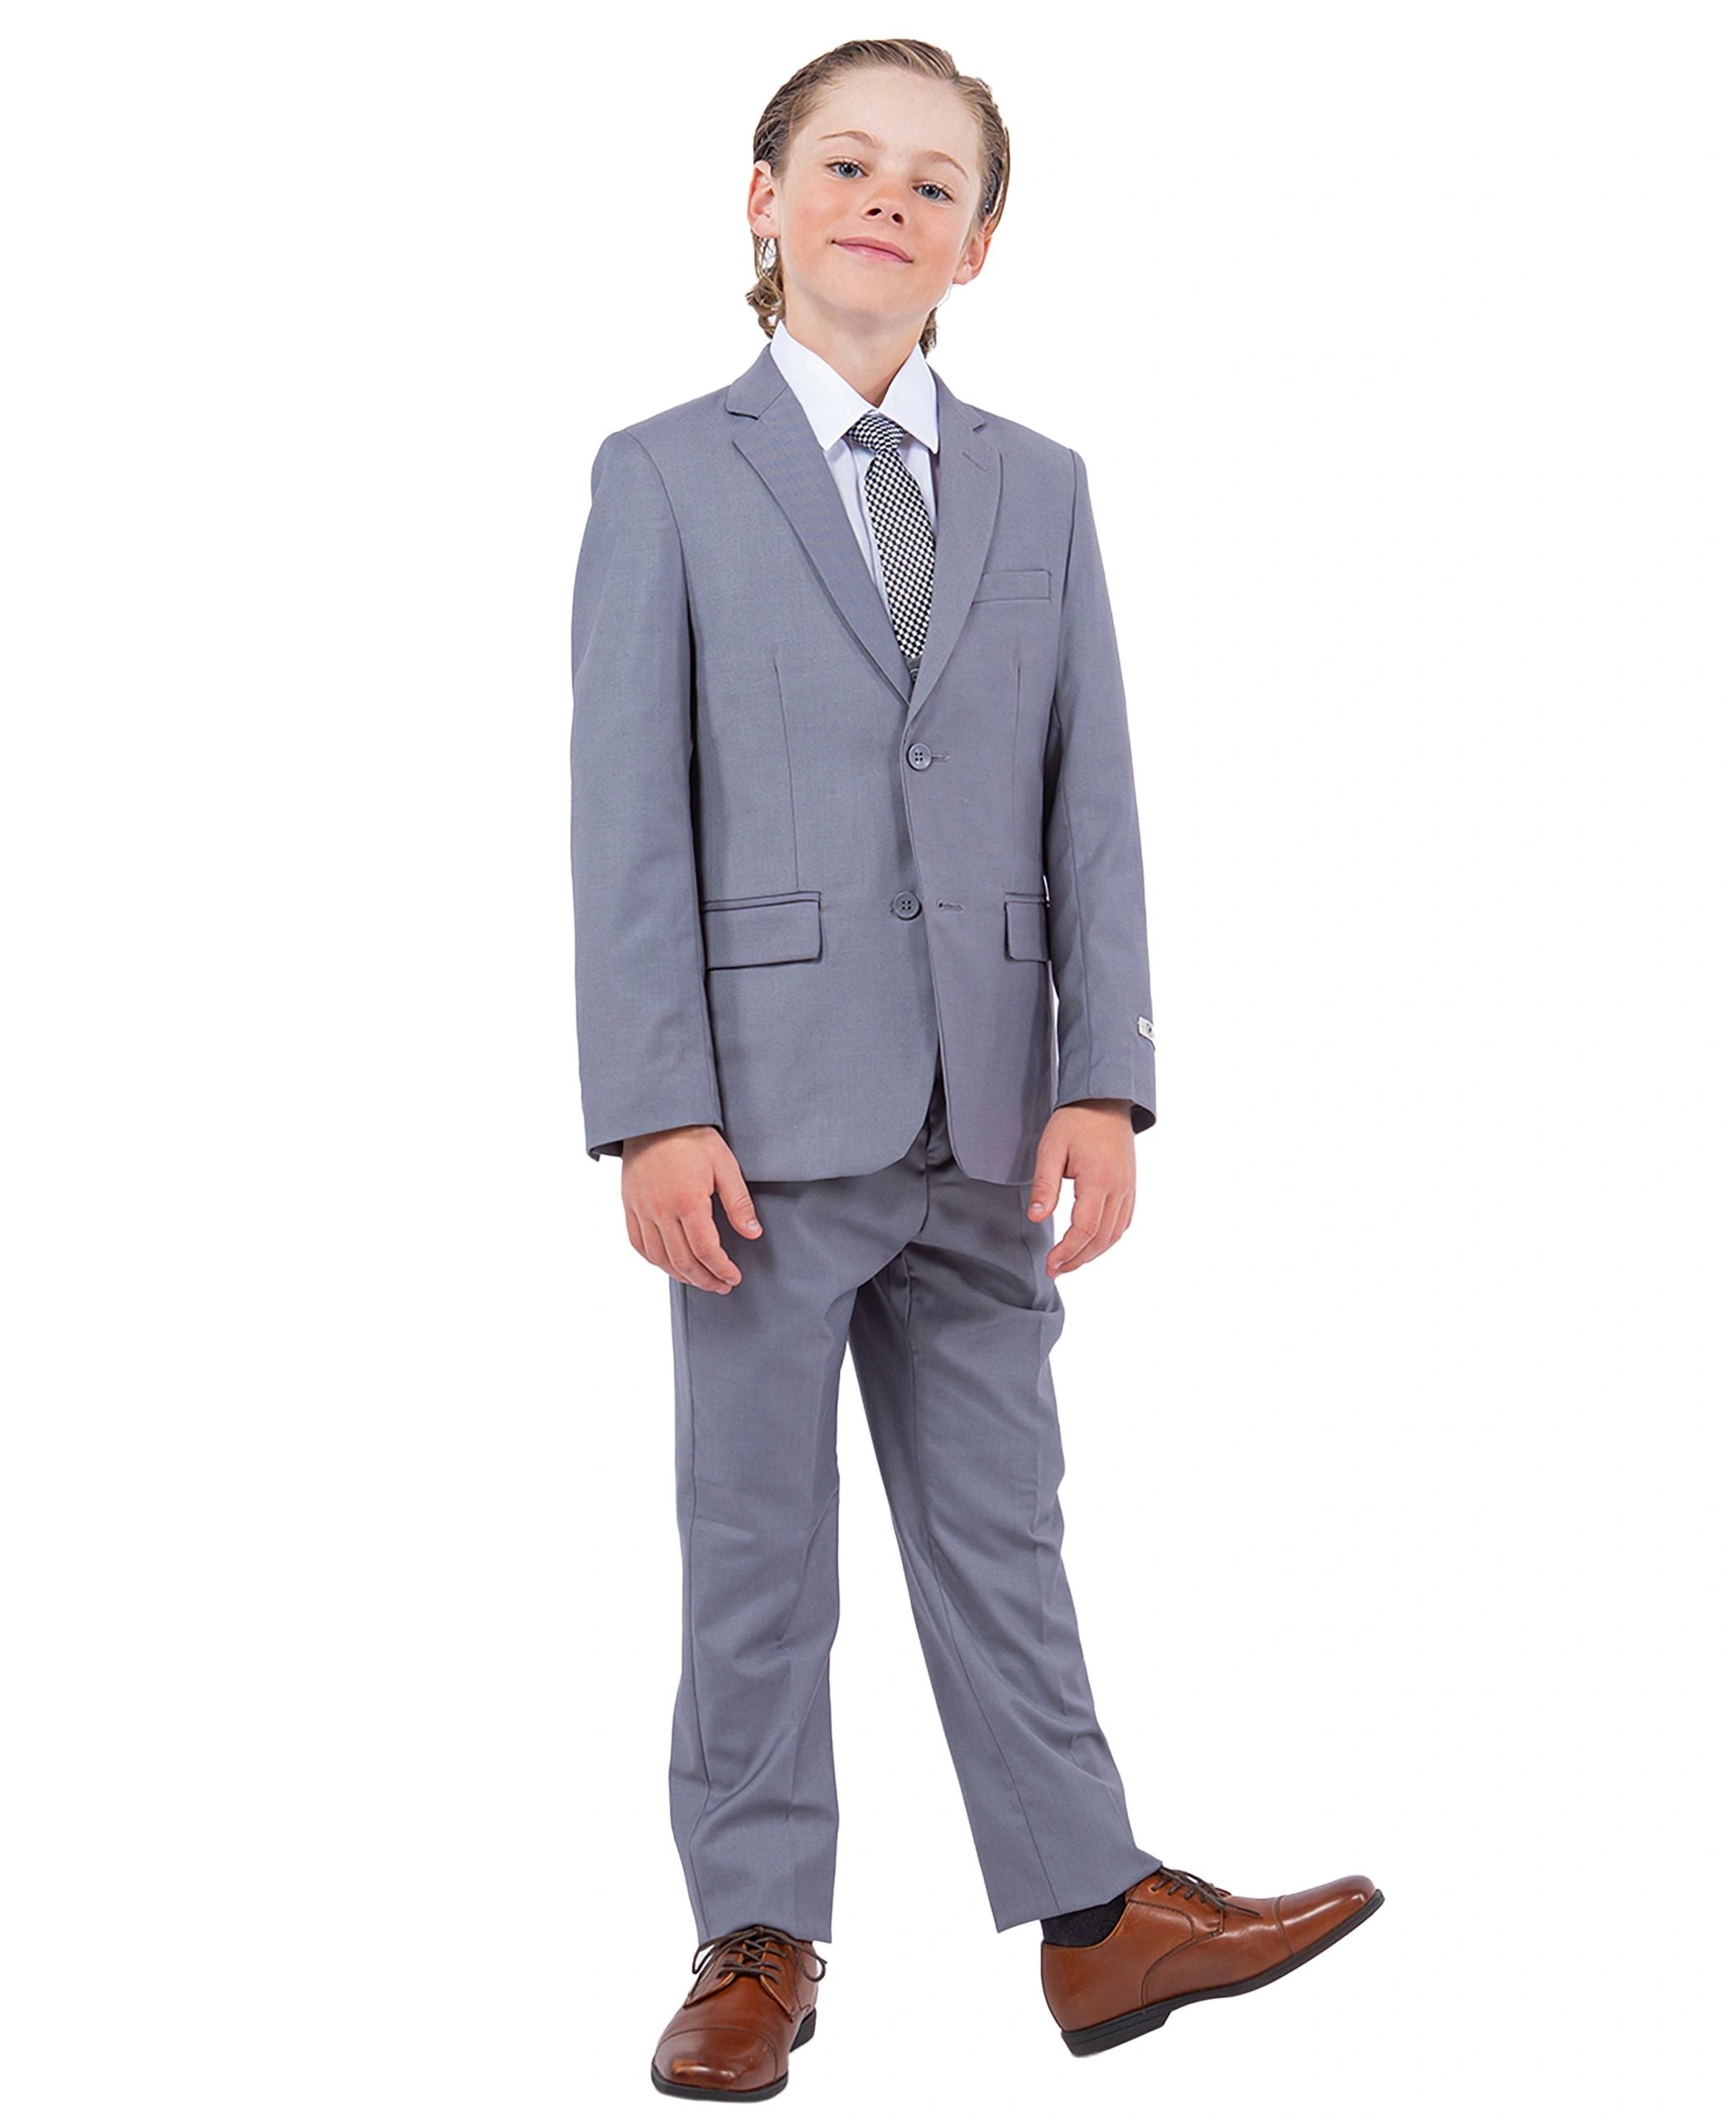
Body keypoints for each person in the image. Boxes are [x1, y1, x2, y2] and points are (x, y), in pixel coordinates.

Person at [568, 37, 1382, 2101]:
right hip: (757, 1119)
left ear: (983, 244)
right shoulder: (661, 475)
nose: (886, 202)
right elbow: (625, 818)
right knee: (757, 1534)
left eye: (935, 185)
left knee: (1004, 1521)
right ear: (758, 200)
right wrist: (654, 1099)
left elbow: (1083, 793)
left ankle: (1096, 1918)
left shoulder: (1040, 485)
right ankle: (755, 1931)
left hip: (988, 1111)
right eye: (845, 164)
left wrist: (1101, 1072)